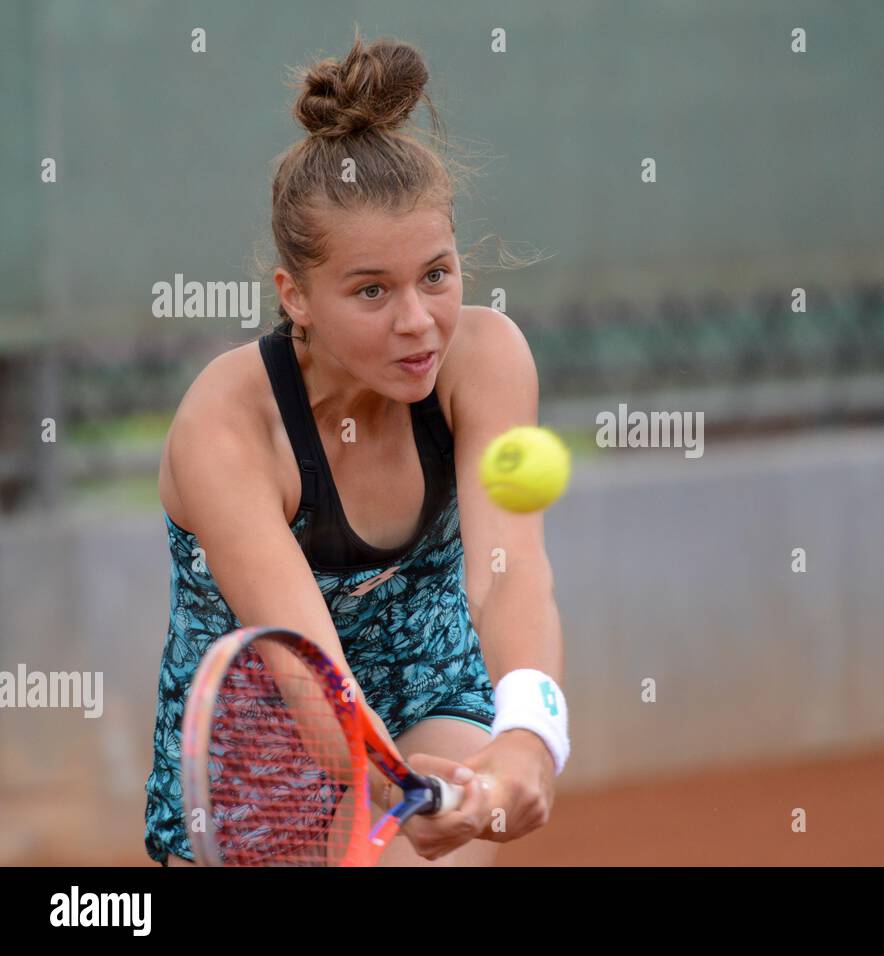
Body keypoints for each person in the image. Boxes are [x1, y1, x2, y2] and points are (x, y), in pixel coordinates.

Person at [143, 35, 567, 866]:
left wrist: (527, 735)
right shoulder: (226, 429)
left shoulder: (485, 362)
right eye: (372, 290)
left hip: (434, 696)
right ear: (295, 297)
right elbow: (310, 672)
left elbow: (511, 572)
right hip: (258, 750)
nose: (417, 321)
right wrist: (391, 783)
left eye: (436, 276)